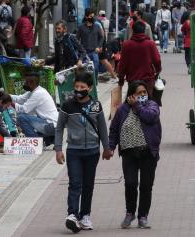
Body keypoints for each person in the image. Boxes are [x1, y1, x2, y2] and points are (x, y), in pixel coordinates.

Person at [54, 71, 111, 233]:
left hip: (92, 152)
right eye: (77, 86)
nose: (79, 89)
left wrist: (106, 148)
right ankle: (72, 214)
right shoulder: (67, 106)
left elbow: (102, 129)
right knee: (75, 183)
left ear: (90, 88)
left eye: (83, 87)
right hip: (73, 152)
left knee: (88, 185)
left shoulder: (96, 106)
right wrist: (58, 149)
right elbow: (59, 129)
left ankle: (85, 215)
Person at [108, 80, 161, 229]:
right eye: (139, 93)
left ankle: (143, 216)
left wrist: (137, 105)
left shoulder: (152, 105)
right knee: (130, 184)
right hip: (129, 154)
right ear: (131, 95)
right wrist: (111, 147)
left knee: (146, 186)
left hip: (148, 153)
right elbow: (114, 129)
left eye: (144, 92)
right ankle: (130, 213)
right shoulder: (122, 110)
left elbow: (150, 117)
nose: (143, 95)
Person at [118, 21, 162, 101]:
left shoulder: (127, 45)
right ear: (144, 31)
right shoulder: (150, 44)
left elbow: (122, 64)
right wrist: (158, 71)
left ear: (132, 31)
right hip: (148, 80)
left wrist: (121, 79)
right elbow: (157, 60)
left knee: (133, 103)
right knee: (149, 103)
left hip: (133, 82)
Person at [11, 72, 58, 140]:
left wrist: (9, 102)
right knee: (29, 117)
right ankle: (48, 140)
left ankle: (35, 142)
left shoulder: (38, 93)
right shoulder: (35, 90)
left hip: (51, 125)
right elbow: (19, 99)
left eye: (26, 82)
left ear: (32, 82)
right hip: (52, 125)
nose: (24, 84)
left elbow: (23, 109)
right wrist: (8, 96)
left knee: (21, 117)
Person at [76, 8, 104, 79]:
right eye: (91, 16)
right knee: (85, 70)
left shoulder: (97, 26)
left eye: (93, 16)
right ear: (86, 17)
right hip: (84, 53)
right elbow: (76, 39)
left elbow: (101, 37)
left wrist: (99, 46)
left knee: (96, 67)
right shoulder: (81, 27)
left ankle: (95, 83)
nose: (93, 18)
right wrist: (80, 49)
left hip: (94, 51)